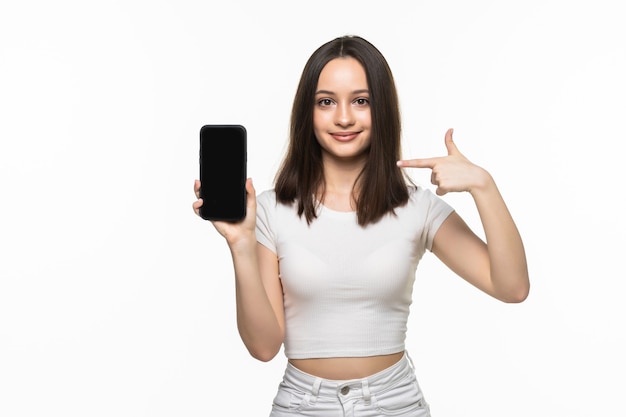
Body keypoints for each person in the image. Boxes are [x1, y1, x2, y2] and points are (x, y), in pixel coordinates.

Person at [192, 35, 529, 417]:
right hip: (302, 406)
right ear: (308, 112)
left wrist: (483, 186)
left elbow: (512, 287)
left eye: (361, 101)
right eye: (326, 102)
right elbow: (264, 347)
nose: (344, 118)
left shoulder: (415, 207)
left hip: (395, 404)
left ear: (381, 109)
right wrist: (240, 243)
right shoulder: (269, 210)